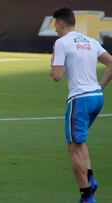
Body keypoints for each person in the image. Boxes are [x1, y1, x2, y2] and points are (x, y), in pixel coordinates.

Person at [50, 7, 112, 203]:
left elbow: (57, 77)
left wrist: (53, 63)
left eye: (55, 25)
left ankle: (87, 196)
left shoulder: (61, 43)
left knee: (73, 147)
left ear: (60, 23)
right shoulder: (90, 41)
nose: (55, 29)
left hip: (79, 99)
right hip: (96, 98)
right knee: (78, 142)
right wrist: (100, 85)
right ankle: (91, 179)